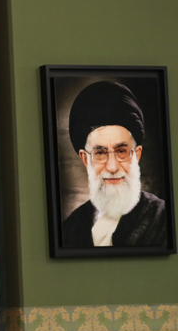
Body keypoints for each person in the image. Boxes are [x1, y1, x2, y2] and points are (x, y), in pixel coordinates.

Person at [62, 80, 167, 247]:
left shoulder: (163, 218)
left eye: (121, 151)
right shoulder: (69, 229)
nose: (112, 167)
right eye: (100, 153)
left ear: (136, 154)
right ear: (85, 159)